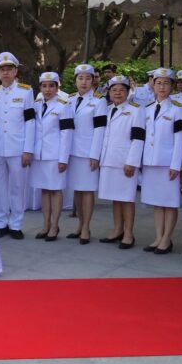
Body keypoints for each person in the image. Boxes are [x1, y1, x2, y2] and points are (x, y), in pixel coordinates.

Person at [140, 68, 182, 255]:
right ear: (153, 85)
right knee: (157, 202)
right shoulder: (147, 108)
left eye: (166, 83)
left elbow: (180, 139)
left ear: (172, 86)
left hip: (168, 163)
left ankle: (167, 239)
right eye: (158, 83)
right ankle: (158, 237)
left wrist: (176, 165)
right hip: (150, 162)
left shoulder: (178, 109)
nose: (161, 87)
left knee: (169, 201)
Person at [0, 51, 35, 239]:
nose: (6, 72)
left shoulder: (26, 91)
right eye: (2, 69)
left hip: (18, 148)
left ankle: (16, 224)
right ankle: (0, 222)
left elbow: (30, 122)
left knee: (17, 187)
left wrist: (28, 149)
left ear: (16, 71)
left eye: (9, 69)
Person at [97, 75, 145, 249]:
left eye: (121, 90)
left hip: (125, 161)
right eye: (114, 90)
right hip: (109, 159)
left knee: (127, 198)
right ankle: (117, 230)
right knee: (115, 198)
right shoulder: (107, 109)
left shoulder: (136, 110)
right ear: (109, 92)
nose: (117, 93)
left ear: (128, 92)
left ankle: (129, 233)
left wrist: (132, 162)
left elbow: (138, 138)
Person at [65, 64, 106, 244]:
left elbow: (100, 130)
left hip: (88, 152)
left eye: (88, 78)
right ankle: (80, 225)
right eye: (80, 78)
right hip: (72, 151)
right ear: (75, 81)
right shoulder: (69, 99)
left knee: (87, 190)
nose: (84, 82)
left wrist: (95, 155)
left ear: (93, 81)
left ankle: (86, 228)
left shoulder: (99, 101)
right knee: (77, 190)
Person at [30, 72, 72, 241]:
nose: (48, 89)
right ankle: (45, 224)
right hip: (39, 155)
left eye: (51, 86)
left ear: (57, 87)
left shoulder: (64, 105)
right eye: (44, 86)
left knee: (55, 190)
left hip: (55, 155)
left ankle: (55, 225)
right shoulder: (36, 105)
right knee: (45, 190)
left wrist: (63, 158)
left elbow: (67, 134)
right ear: (40, 87)